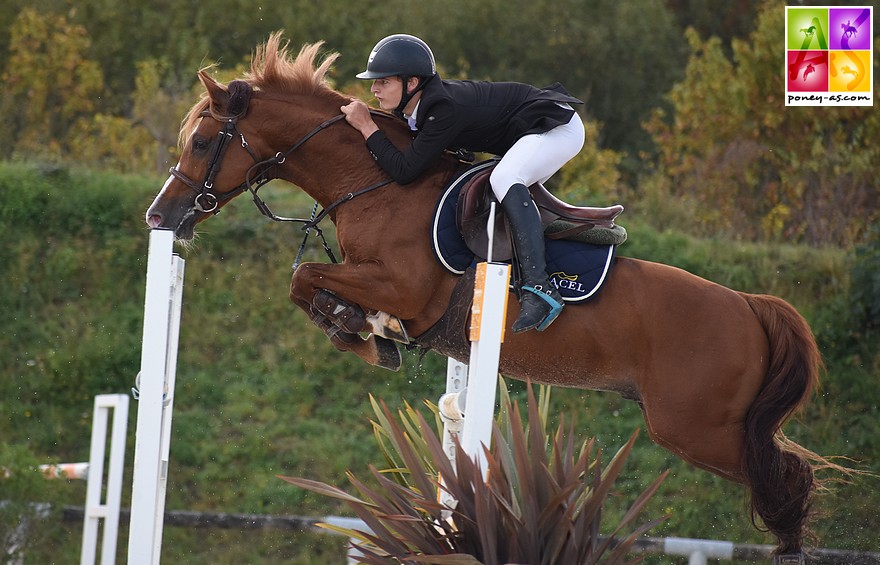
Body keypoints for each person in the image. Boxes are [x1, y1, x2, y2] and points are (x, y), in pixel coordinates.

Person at [341, 34, 585, 333]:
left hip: (557, 128)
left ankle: (540, 289)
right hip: (532, 133)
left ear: (412, 83)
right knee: (497, 195)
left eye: (383, 82)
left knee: (505, 178)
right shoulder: (424, 107)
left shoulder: (442, 108)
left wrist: (367, 126)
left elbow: (405, 171)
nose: (373, 89)